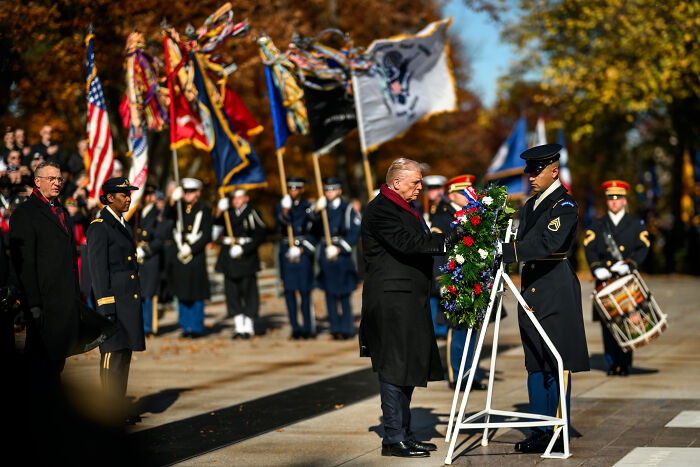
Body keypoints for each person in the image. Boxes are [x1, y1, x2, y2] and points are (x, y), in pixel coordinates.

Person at [360, 158, 464, 458]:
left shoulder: (403, 207)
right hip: (391, 300)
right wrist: (446, 238)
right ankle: (394, 438)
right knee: (394, 367)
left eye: (420, 182)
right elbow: (409, 243)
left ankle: (404, 432)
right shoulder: (381, 209)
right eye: (415, 182)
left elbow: (418, 240)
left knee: (406, 365)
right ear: (396, 183)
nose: (420, 187)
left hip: (407, 299)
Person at [497, 143, 589, 453]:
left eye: (537, 171)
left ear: (553, 170)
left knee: (556, 361)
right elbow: (518, 235)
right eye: (529, 172)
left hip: (555, 289)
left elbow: (548, 243)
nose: (530, 177)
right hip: (532, 289)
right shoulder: (529, 206)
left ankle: (557, 429)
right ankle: (540, 429)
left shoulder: (563, 205)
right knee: (536, 362)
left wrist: (507, 252)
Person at [9, 160, 81, 389]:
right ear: (37, 182)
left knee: (58, 361)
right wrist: (33, 304)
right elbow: (25, 263)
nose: (57, 183)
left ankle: (52, 409)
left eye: (59, 178)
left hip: (64, 300)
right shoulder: (25, 213)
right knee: (39, 362)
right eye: (51, 178)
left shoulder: (61, 211)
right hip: (42, 302)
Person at [86, 177, 145, 420]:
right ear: (110, 197)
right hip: (113, 301)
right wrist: (105, 306)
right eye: (123, 194)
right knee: (112, 355)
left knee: (124, 354)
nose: (129, 198)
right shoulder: (100, 226)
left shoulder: (123, 224)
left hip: (127, 300)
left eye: (129, 193)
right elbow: (98, 271)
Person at [583, 180, 650, 376]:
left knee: (628, 319)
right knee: (608, 323)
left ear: (624, 200)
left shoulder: (636, 224)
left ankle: (625, 363)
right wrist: (596, 268)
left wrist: (630, 265)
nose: (614, 202)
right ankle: (611, 362)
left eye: (618, 198)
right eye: (610, 198)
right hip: (604, 280)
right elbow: (590, 248)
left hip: (625, 280)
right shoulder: (597, 224)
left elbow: (643, 246)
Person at [432, 174, 487, 391]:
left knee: (472, 329)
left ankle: (469, 375)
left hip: (472, 278)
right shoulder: (443, 216)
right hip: (453, 278)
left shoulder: (474, 213)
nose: (469, 195)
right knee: (457, 329)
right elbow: (438, 249)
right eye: (464, 192)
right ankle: (457, 376)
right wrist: (440, 279)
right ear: (453, 194)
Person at [313, 176, 361, 340]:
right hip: (327, 252)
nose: (329, 193)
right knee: (330, 293)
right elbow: (311, 228)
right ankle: (335, 328)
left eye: (333, 189)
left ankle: (347, 328)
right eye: (327, 190)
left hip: (341, 255)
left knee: (345, 293)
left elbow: (355, 232)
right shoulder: (322, 209)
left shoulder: (347, 208)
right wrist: (316, 212)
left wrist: (340, 248)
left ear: (339, 191)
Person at [215, 189, 266, 339]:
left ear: (246, 198)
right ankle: (238, 325)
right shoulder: (227, 213)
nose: (236, 201)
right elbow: (215, 228)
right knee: (232, 292)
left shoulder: (252, 213)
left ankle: (248, 325)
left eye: (239, 198)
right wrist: (218, 211)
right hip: (229, 257)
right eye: (234, 199)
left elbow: (260, 235)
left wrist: (243, 248)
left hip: (246, 258)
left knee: (248, 291)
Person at [166, 178, 212, 338]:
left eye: (191, 192)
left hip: (195, 256)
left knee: (196, 293)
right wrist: (172, 199)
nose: (187, 195)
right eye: (185, 191)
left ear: (198, 193)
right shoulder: (178, 207)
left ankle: (197, 327)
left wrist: (191, 248)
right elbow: (166, 215)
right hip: (180, 254)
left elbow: (207, 235)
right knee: (182, 293)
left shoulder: (204, 209)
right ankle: (186, 327)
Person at [275, 176, 317, 339]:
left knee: (305, 292)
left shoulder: (308, 207)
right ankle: (295, 327)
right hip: (287, 251)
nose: (293, 192)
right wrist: (284, 211)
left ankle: (308, 327)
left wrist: (302, 249)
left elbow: (315, 230)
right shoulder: (282, 205)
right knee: (290, 292)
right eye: (290, 188)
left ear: (301, 190)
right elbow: (278, 225)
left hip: (302, 252)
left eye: (296, 189)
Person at [135, 185, 169, 337]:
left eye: (149, 194)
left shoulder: (157, 215)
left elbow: (160, 238)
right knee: (139, 294)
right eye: (145, 194)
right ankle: (140, 326)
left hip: (150, 259)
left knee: (150, 294)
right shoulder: (137, 214)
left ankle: (150, 327)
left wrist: (145, 250)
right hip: (137, 258)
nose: (146, 197)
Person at [422, 175, 449, 339]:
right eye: (429, 189)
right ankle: (434, 328)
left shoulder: (444, 210)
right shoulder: (424, 209)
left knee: (441, 292)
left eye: (434, 189)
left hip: (440, 257)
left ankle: (442, 329)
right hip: (428, 258)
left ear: (441, 190)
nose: (431, 192)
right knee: (431, 293)